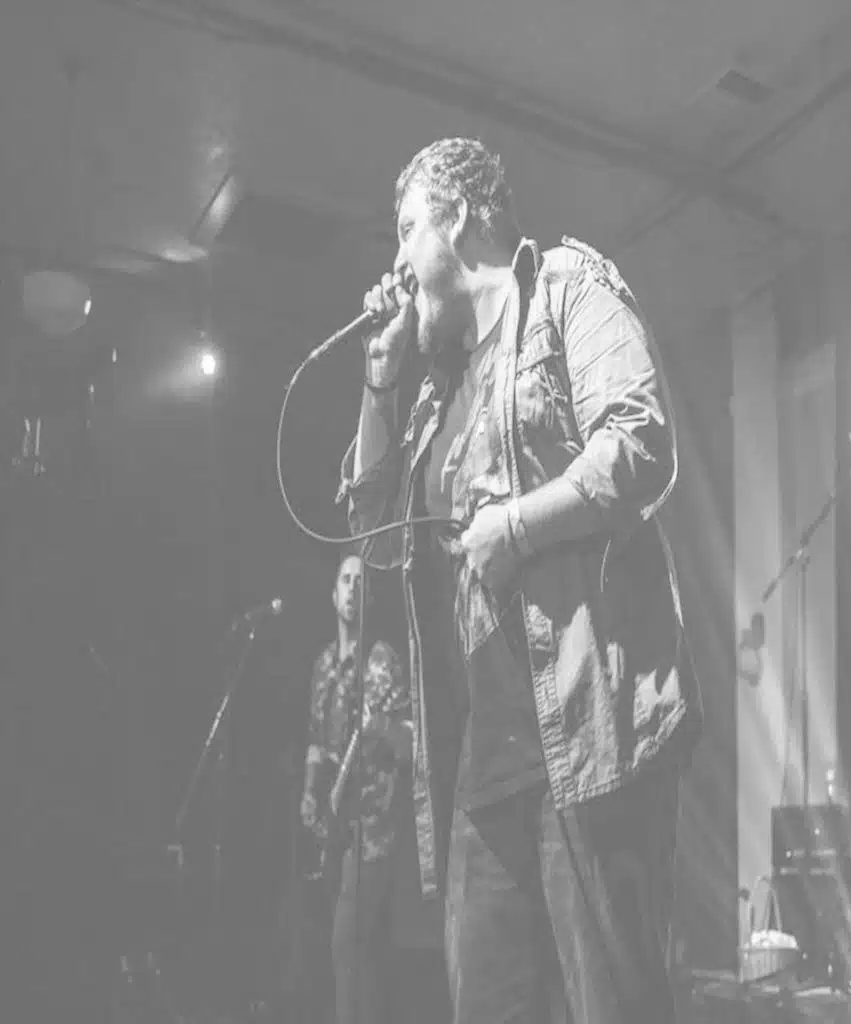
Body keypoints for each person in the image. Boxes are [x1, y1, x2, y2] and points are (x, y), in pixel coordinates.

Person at [337, 137, 702, 1023]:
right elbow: (373, 538)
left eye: (407, 228)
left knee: (615, 1004)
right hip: (481, 768)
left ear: (461, 215)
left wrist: (515, 525)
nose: (396, 260)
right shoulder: (434, 392)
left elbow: (640, 442)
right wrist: (380, 381)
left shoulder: (567, 289)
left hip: (588, 733)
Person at [299, 552, 413, 1024]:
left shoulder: (382, 660)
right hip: (334, 827)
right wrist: (310, 793)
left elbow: (412, 742)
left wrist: (381, 725)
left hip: (373, 829)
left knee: (347, 944)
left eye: (362, 582)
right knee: (357, 957)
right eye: (346, 580)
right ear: (333, 594)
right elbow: (315, 740)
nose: (353, 588)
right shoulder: (324, 664)